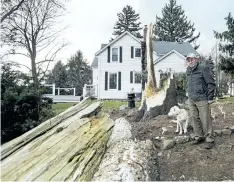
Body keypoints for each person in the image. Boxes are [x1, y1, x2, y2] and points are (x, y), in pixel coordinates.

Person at [186, 53, 216, 149]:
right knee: (194, 118)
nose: (190, 61)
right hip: (191, 98)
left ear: (196, 59)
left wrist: (210, 97)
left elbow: (211, 83)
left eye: (192, 59)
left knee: (205, 119)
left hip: (202, 98)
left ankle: (210, 139)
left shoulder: (203, 68)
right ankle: (199, 137)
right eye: (188, 60)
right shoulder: (188, 70)